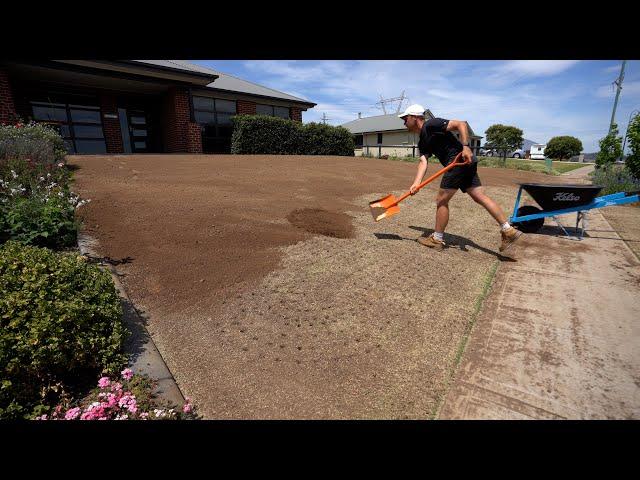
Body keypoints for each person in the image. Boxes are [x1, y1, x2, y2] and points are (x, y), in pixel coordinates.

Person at [398, 104, 523, 252]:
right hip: (465, 164)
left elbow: (460, 124)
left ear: (415, 117)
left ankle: (437, 239)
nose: (404, 122)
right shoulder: (422, 140)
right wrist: (416, 183)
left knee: (441, 200)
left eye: (405, 118)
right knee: (479, 196)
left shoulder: (431, 124)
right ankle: (508, 230)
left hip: (458, 161)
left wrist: (465, 146)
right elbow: (423, 161)